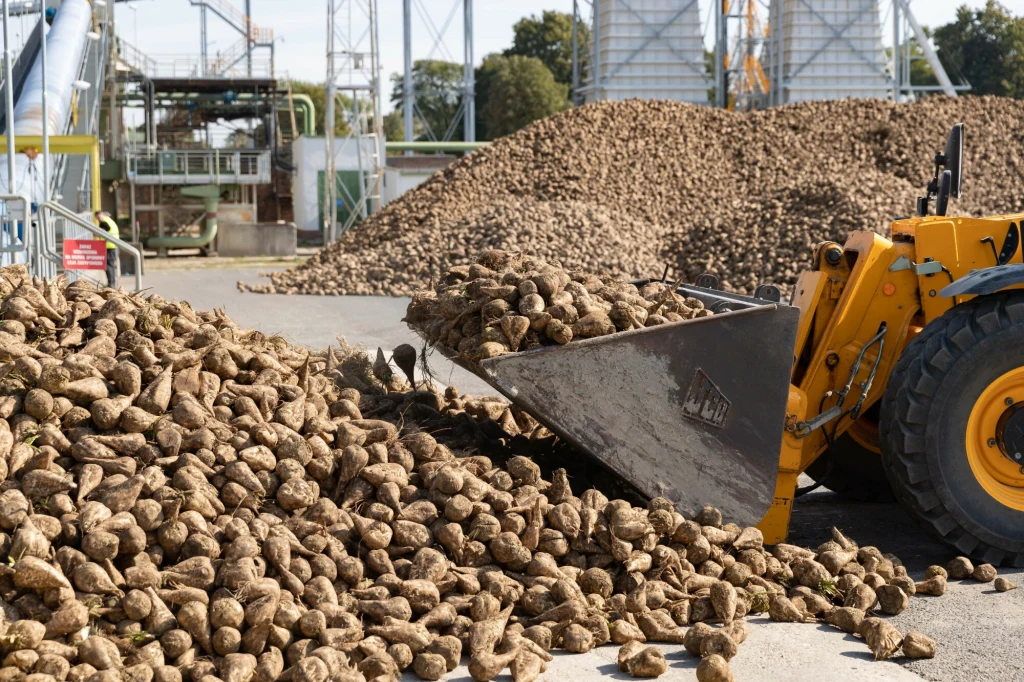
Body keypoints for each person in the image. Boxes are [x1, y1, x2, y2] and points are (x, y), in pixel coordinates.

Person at [94, 211, 119, 287]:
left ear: (102, 215)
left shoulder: (104, 222)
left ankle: (111, 283)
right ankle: (112, 282)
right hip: (111, 245)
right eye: (97, 218)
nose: (98, 220)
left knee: (108, 266)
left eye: (99, 218)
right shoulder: (108, 220)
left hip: (109, 246)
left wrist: (96, 233)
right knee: (110, 265)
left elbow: (103, 231)